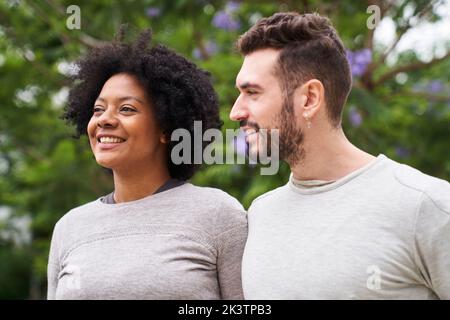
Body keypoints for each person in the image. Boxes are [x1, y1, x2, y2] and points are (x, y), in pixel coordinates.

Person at [230, 12, 450, 299]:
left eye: (252, 93)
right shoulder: (259, 215)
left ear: (309, 99)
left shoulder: (426, 206)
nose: (236, 111)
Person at [47, 29, 247, 300]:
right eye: (98, 110)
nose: (105, 119)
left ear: (166, 128)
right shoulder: (69, 227)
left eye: (126, 109)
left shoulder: (219, 215)